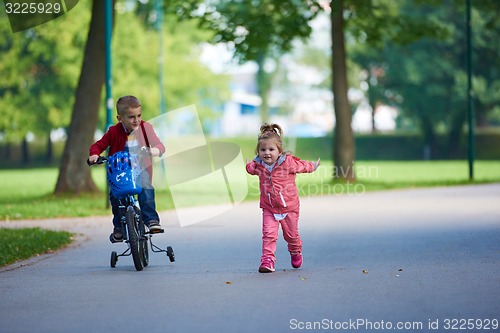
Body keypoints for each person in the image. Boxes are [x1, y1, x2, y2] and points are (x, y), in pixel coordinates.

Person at [89, 95, 166, 242]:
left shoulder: (146, 128)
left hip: (140, 169)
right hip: (120, 170)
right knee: (115, 196)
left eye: (139, 115)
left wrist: (155, 150)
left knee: (146, 188)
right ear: (120, 118)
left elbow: (159, 145)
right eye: (131, 117)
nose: (136, 120)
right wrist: (94, 155)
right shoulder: (113, 132)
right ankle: (119, 227)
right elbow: (98, 145)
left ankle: (151, 220)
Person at [246, 123, 320, 273]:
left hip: (289, 207)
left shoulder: (288, 162)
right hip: (269, 207)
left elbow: (302, 166)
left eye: (271, 149)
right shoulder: (259, 165)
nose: (267, 153)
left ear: (279, 151)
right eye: (263, 150)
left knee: (291, 235)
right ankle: (267, 260)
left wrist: (313, 165)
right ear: (258, 152)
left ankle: (295, 250)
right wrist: (249, 165)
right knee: (268, 234)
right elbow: (251, 169)